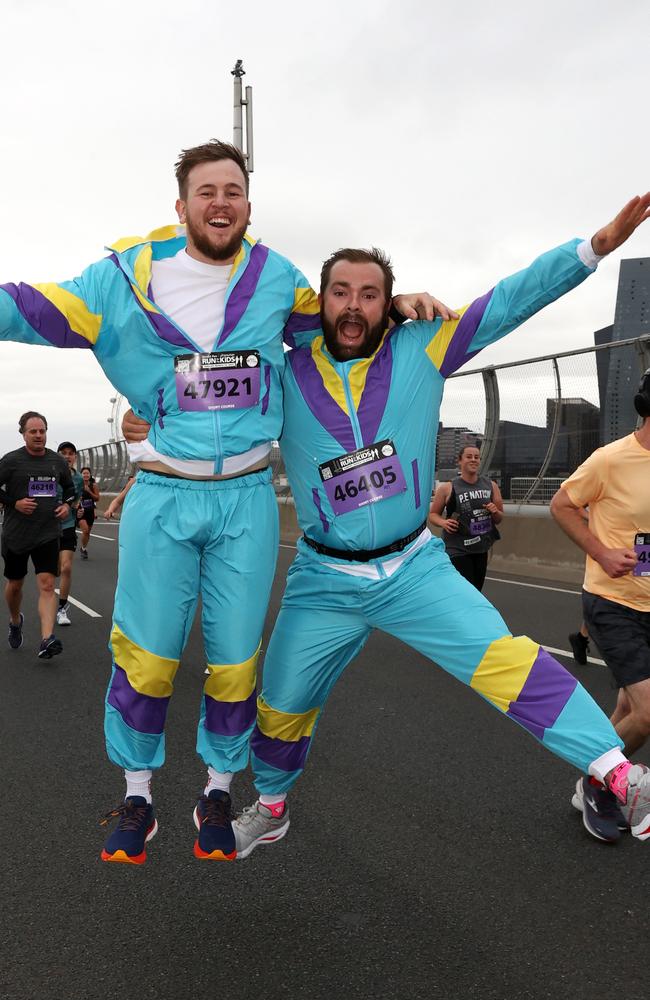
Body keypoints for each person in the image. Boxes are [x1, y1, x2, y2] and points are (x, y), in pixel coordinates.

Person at [125, 194, 650, 862]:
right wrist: (144, 422)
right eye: (339, 292)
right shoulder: (283, 371)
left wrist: (595, 247)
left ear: (390, 303)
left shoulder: (424, 345)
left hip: (413, 569)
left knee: (509, 663)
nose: (353, 305)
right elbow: (203, 392)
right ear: (319, 302)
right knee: (280, 708)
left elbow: (510, 300)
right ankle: (275, 808)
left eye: (370, 294)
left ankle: (616, 774)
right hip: (324, 579)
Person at [0, 139, 441, 865]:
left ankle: (215, 788)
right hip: (164, 497)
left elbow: (338, 326)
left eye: (233, 191)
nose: (221, 203)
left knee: (236, 660)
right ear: (181, 206)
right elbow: (29, 308)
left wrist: (394, 305)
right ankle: (138, 796)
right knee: (147, 656)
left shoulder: (276, 279)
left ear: (248, 205)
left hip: (245, 501)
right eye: (207, 191)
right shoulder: (120, 280)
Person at [550, 368, 650, 843]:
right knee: (648, 713)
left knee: (631, 707)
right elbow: (562, 505)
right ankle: (598, 787)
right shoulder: (610, 460)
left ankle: (600, 770)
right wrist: (603, 552)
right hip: (613, 602)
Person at [0, 413, 75, 658]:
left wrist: (67, 506)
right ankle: (14, 620)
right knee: (15, 585)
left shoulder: (57, 462)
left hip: (46, 532)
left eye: (42, 431)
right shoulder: (11, 461)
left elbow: (71, 490)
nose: (39, 435)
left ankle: (46, 639)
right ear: (23, 434)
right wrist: (15, 503)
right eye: (33, 431)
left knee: (46, 584)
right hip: (16, 534)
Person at [429, 444, 503, 590]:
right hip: (457, 548)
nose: (473, 460)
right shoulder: (447, 488)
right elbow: (433, 514)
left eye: (477, 457)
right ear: (460, 461)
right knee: (467, 590)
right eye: (469, 457)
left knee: (477, 589)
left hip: (481, 547)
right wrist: (443, 523)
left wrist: (495, 511)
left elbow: (499, 518)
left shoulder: (491, 485)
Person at [56, 441, 83, 626]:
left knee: (66, 568)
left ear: (75, 457)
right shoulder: (49, 474)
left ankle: (62, 608)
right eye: (63, 453)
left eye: (70, 453)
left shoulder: (79, 478)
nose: (67, 456)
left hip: (68, 526)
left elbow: (76, 499)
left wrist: (76, 509)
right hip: (47, 527)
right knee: (54, 570)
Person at [76, 466, 100, 559]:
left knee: (87, 533)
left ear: (90, 475)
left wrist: (89, 491)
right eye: (84, 473)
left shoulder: (93, 485)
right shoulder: (78, 485)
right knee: (85, 530)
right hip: (80, 511)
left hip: (90, 511)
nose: (86, 475)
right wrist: (78, 499)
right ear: (81, 475)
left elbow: (97, 498)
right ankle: (77, 523)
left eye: (87, 473)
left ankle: (83, 548)